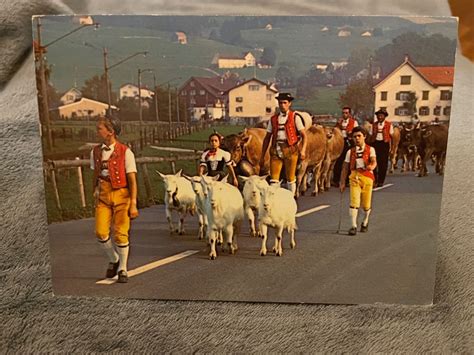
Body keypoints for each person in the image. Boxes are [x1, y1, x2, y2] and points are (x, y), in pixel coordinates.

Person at [90, 116, 139, 283]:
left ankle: (123, 268)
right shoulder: (95, 151)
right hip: (103, 195)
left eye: (100, 128)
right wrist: (95, 189)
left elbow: (132, 179)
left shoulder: (126, 152)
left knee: (120, 233)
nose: (98, 131)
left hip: (122, 195)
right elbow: (95, 173)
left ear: (110, 132)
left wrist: (133, 203)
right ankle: (113, 259)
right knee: (101, 232)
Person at [258, 92, 307, 196]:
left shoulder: (295, 117)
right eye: (280, 103)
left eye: (285, 103)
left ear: (289, 104)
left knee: (290, 177)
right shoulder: (273, 119)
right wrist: (262, 156)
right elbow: (267, 138)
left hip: (290, 149)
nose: (282, 105)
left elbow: (304, 135)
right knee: (274, 178)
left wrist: (303, 150)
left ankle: (291, 199)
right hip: (276, 149)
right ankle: (274, 199)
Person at [340, 126, 377, 236]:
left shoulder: (370, 149)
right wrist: (342, 182)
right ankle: (353, 226)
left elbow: (374, 161)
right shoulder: (350, 152)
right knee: (354, 202)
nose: (357, 138)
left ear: (364, 136)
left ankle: (365, 222)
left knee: (366, 205)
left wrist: (371, 166)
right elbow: (345, 167)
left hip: (367, 177)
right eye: (354, 137)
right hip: (354, 177)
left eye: (359, 136)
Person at [333, 106, 359, 186]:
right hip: (340, 142)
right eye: (343, 113)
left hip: (349, 142)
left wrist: (351, 134)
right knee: (338, 161)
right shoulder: (339, 122)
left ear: (349, 114)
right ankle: (336, 180)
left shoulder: (354, 122)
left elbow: (356, 133)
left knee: (349, 161)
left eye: (346, 113)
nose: (344, 114)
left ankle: (348, 180)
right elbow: (335, 130)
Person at [369, 109, 394, 187]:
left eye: (381, 116)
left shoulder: (389, 125)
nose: (379, 117)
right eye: (378, 116)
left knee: (383, 163)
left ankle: (381, 180)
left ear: (384, 117)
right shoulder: (373, 125)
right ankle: (375, 180)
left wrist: (392, 148)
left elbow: (392, 137)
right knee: (374, 162)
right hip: (375, 144)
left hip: (384, 144)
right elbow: (370, 135)